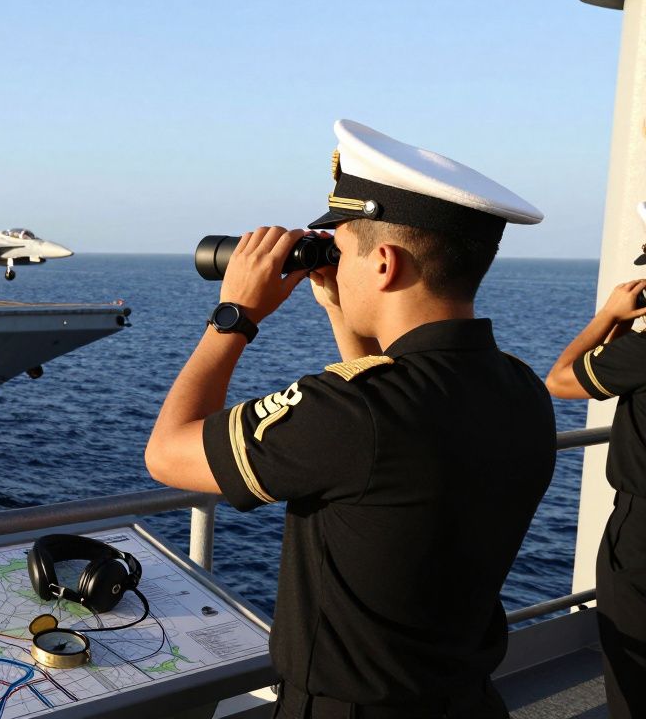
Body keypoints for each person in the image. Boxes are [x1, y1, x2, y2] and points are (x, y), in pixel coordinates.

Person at [144, 120, 555, 718]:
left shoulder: (354, 413)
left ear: (384, 263)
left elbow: (166, 452)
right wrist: (341, 305)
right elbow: (384, 418)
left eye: (341, 249)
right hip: (463, 699)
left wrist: (234, 314)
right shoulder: (518, 386)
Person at [546, 279, 646, 717]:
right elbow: (608, 376)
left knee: (635, 669)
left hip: (640, 534)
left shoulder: (642, 356)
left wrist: (608, 316)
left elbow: (560, 380)